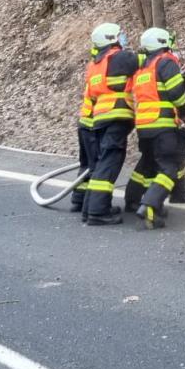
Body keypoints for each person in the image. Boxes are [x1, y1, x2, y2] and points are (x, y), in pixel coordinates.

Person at [124, 27, 185, 229]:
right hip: (162, 125)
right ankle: (149, 205)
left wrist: (183, 78)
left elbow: (159, 91)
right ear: (163, 42)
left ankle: (138, 201)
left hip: (144, 127)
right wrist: (184, 111)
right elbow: (175, 94)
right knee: (169, 167)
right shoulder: (166, 61)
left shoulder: (142, 69)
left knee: (148, 166)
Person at [77, 22, 140, 227]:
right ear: (112, 38)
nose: (123, 37)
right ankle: (98, 211)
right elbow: (147, 61)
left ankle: (89, 209)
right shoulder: (118, 57)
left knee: (100, 164)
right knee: (108, 164)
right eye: (120, 34)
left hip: (99, 119)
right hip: (115, 116)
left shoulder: (95, 64)